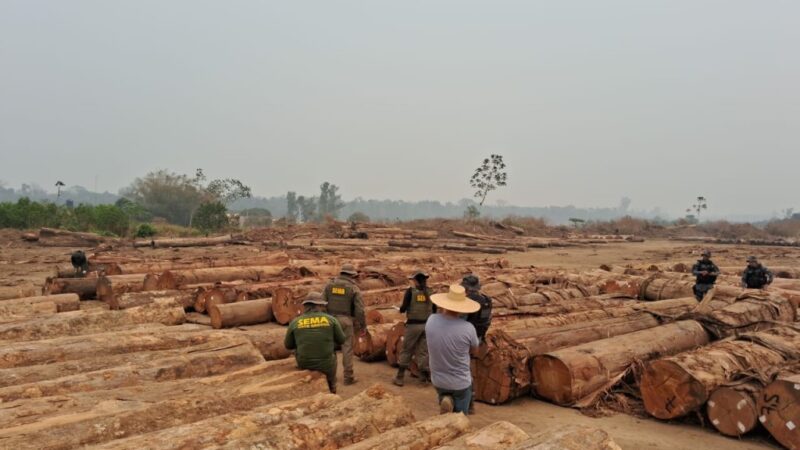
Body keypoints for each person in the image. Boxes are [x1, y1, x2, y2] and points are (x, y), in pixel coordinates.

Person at [426, 284, 480, 415]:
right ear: (462, 308)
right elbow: (475, 351)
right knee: (461, 418)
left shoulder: (431, 320)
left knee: (444, 394)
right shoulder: (468, 328)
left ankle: (445, 400)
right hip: (460, 382)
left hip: (437, 379)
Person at [284, 292, 345, 393]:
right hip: (327, 364)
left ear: (305, 306)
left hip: (304, 363)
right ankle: (332, 386)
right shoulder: (331, 320)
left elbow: (288, 345)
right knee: (333, 357)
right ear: (320, 305)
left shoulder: (295, 322)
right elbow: (342, 340)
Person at [321, 263, 366, 385]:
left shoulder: (329, 285)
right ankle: (348, 377)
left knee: (329, 349)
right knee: (347, 349)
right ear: (351, 275)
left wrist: (325, 318)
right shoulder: (353, 288)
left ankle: (329, 377)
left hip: (329, 320)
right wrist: (362, 325)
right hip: (346, 320)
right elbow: (360, 310)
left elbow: (321, 303)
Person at [393, 270, 435, 387]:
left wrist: (400, 310)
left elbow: (404, 307)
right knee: (423, 352)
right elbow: (435, 310)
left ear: (415, 280)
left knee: (407, 349)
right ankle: (423, 379)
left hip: (413, 325)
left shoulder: (411, 292)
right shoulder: (431, 292)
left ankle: (400, 377)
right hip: (427, 325)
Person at [461, 274, 492, 414]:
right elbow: (487, 320)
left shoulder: (468, 301)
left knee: (463, 369)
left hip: (465, 338)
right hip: (478, 337)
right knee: (467, 368)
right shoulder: (486, 300)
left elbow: (460, 321)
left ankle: (467, 402)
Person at [462, 275, 492, 342]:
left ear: (465, 288)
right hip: (479, 335)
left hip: (465, 336)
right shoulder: (486, 299)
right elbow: (487, 320)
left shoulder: (466, 301)